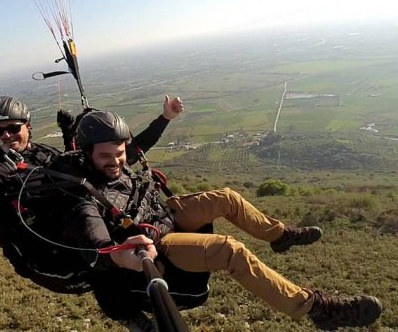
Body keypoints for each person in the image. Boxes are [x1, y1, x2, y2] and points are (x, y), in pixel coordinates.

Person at [63, 110, 383, 331]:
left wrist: (166, 117)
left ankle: (280, 235)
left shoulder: (117, 160)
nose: (116, 160)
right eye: (106, 155)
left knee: (226, 197)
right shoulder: (84, 196)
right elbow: (97, 247)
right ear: (87, 154)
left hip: (164, 214)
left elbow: (142, 143)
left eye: (120, 152)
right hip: (157, 242)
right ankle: (318, 309)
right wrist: (121, 254)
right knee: (229, 250)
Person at [0, 94, 183, 293]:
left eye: (14, 128)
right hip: (59, 261)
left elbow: (124, 154)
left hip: (83, 236)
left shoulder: (43, 153)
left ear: (28, 127)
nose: (7, 135)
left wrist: (164, 119)